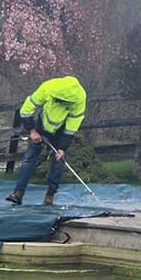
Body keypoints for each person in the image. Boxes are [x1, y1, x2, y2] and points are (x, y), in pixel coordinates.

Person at [6, 75, 86, 206]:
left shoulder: (80, 98)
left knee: (58, 161)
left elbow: (72, 125)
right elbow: (26, 110)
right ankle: (18, 193)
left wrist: (62, 148)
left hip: (61, 131)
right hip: (41, 127)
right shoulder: (48, 87)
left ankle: (50, 195)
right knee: (29, 159)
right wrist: (32, 131)